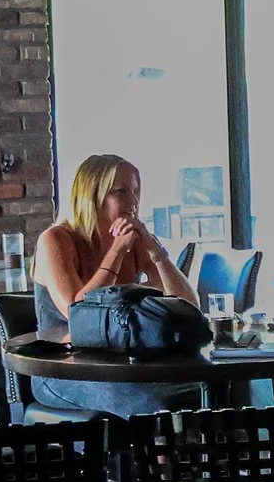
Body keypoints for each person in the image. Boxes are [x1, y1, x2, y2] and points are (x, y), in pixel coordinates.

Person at [28, 153, 206, 417]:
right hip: (62, 371)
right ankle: (163, 446)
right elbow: (78, 314)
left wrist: (156, 252)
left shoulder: (135, 240)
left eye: (135, 191)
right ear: (92, 197)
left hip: (124, 365)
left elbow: (189, 307)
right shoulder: (55, 240)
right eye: (121, 192)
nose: (133, 201)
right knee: (153, 401)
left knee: (206, 388)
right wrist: (117, 251)